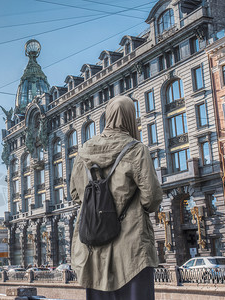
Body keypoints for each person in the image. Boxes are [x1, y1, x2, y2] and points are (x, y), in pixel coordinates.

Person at [70, 95, 163, 300]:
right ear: (131, 117)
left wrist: (99, 206)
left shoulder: (83, 152)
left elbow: (75, 195)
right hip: (132, 249)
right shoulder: (136, 150)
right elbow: (153, 197)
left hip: (93, 249)